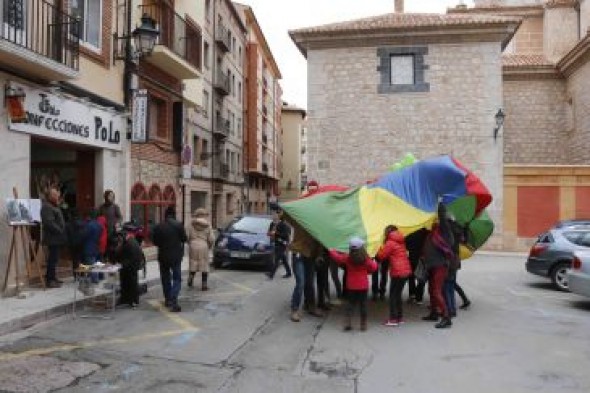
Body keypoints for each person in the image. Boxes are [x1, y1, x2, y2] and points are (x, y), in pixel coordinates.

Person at [329, 237, 377, 332]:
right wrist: (372, 266)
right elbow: (373, 268)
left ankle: (348, 322)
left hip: (351, 285)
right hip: (363, 286)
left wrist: (331, 250)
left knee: (350, 304)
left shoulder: (347, 258)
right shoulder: (366, 259)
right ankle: (363, 325)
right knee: (363, 305)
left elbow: (337, 258)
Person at [422, 203, 455, 329]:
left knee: (436, 291)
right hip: (432, 265)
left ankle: (446, 318)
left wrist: (440, 203)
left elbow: (442, 217)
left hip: (440, 265)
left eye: (437, 221)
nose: (434, 221)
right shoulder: (434, 233)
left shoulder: (445, 233)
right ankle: (434, 313)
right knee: (431, 290)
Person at [152, 206, 187, 312]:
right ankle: (173, 298)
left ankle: (168, 299)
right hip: (176, 256)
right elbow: (184, 239)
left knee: (165, 278)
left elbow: (155, 242)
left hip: (163, 256)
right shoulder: (179, 225)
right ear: (174, 214)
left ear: (165, 215)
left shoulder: (159, 226)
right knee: (177, 278)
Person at [376, 226, 412, 327]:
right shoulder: (401, 241)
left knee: (393, 296)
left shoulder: (390, 243)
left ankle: (393, 319)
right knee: (398, 295)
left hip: (397, 272)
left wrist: (378, 248)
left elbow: (382, 256)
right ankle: (399, 317)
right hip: (405, 271)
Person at [41, 188, 68, 288]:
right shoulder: (47, 207)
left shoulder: (54, 205)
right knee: (52, 260)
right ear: (50, 196)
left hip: (57, 238)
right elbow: (49, 223)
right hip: (52, 238)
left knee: (55, 259)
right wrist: (60, 230)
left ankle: (53, 277)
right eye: (55, 195)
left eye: (57, 194)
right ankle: (50, 280)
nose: (58, 196)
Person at [112, 230, 143, 308]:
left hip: (131, 266)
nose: (119, 240)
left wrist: (121, 265)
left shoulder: (128, 244)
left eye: (119, 238)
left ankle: (133, 301)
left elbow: (127, 256)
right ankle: (126, 299)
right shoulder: (131, 241)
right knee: (126, 282)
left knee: (131, 283)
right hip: (131, 266)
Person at [187, 208, 215, 291]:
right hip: (204, 245)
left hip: (193, 245)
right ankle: (204, 284)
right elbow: (212, 238)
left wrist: (190, 243)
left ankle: (191, 278)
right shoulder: (208, 225)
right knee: (204, 265)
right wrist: (209, 245)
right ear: (203, 215)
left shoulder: (190, 224)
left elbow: (187, 236)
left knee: (193, 262)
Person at [267, 208, 292, 279]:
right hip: (275, 243)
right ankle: (289, 272)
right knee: (283, 259)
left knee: (277, 259)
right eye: (273, 215)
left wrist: (276, 233)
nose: (274, 216)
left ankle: (271, 275)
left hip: (282, 244)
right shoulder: (272, 223)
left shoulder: (284, 224)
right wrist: (270, 233)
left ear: (278, 216)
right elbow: (269, 232)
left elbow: (285, 235)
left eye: (275, 215)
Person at [98, 190, 122, 261]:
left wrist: (117, 223)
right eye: (109, 196)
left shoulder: (115, 207)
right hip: (103, 232)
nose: (111, 197)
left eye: (112, 196)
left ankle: (112, 265)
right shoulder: (101, 207)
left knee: (112, 251)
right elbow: (98, 217)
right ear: (105, 197)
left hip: (113, 232)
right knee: (103, 251)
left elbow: (120, 217)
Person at [82, 210, 103, 283]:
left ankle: (94, 279)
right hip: (95, 246)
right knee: (94, 263)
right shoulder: (99, 225)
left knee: (90, 264)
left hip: (88, 246)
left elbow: (84, 235)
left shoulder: (89, 225)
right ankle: (94, 278)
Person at [66, 209, 86, 279]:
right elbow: (85, 233)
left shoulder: (68, 224)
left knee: (75, 260)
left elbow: (67, 235)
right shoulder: (83, 223)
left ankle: (75, 276)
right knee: (82, 260)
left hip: (73, 244)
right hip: (82, 244)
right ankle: (83, 274)